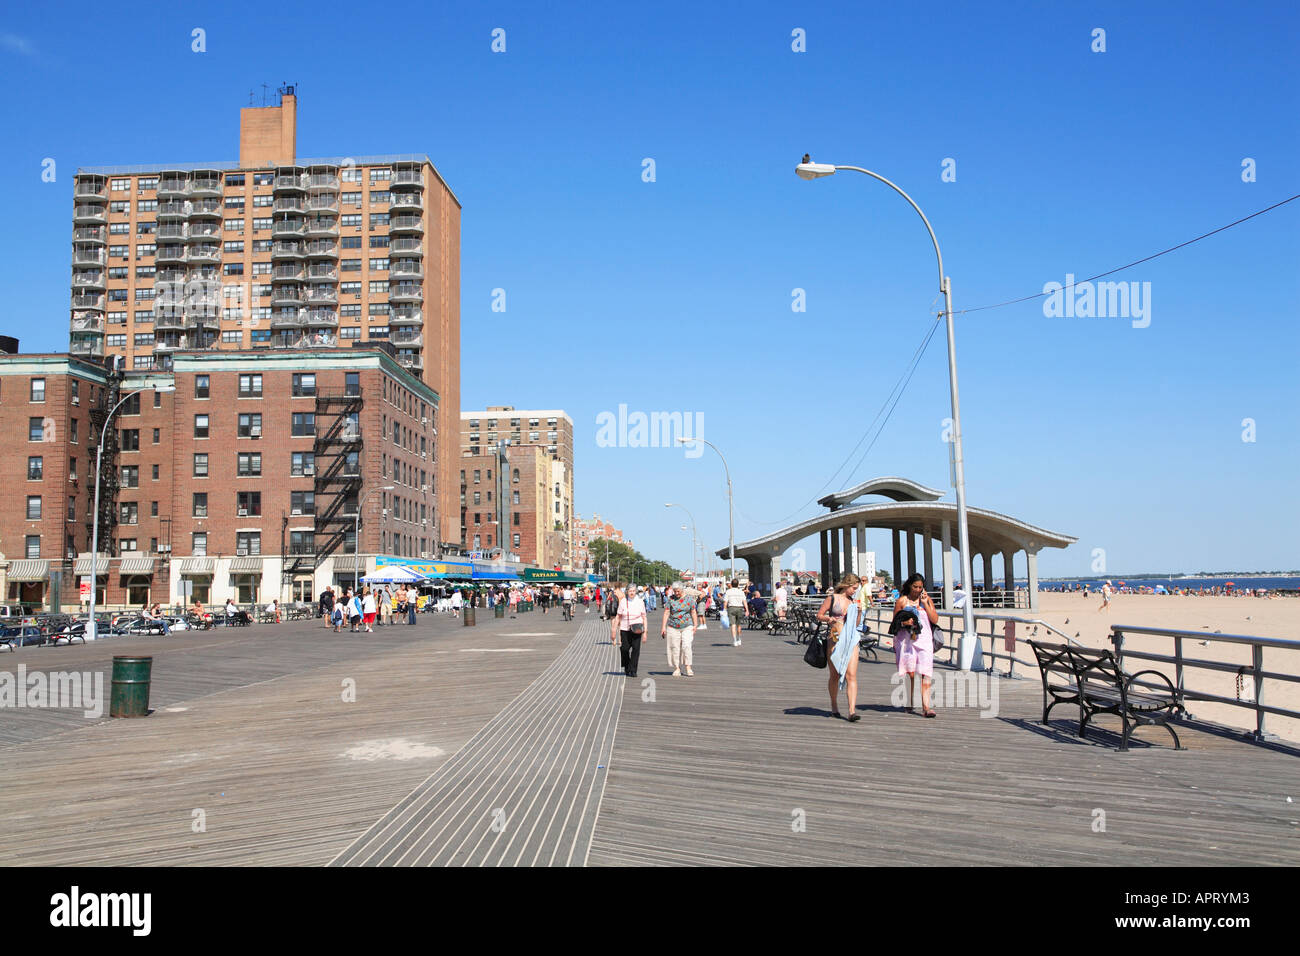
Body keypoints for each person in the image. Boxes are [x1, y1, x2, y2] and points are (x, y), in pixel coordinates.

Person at [893, 573, 939, 717]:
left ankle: (926, 707)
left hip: (924, 640)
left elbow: (935, 619)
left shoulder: (926, 600)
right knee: (910, 672)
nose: (918, 590)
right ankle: (909, 702)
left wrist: (925, 604)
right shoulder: (902, 601)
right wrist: (905, 623)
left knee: (926, 672)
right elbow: (894, 623)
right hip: (906, 641)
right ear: (909, 586)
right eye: (915, 587)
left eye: (920, 587)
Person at [817, 573, 862, 721]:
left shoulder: (853, 602)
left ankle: (851, 711)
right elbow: (819, 615)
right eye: (854, 588)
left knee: (851, 675)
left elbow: (855, 625)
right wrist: (829, 618)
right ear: (847, 585)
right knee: (835, 675)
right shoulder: (832, 598)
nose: (855, 591)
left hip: (851, 640)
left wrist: (859, 611)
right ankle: (834, 705)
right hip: (835, 639)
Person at [660, 581, 699, 677]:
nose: (676, 593)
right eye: (674, 591)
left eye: (678, 591)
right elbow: (666, 613)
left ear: (682, 589)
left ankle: (688, 667)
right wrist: (663, 627)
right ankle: (677, 668)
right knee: (675, 647)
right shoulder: (671, 599)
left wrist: (695, 625)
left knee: (686, 645)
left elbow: (693, 612)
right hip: (673, 626)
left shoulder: (689, 599)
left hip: (687, 625)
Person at [612, 582, 648, 678]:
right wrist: (613, 631)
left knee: (636, 650)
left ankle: (633, 670)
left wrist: (645, 632)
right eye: (630, 591)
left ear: (636, 591)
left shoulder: (640, 601)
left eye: (633, 591)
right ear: (627, 591)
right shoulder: (623, 601)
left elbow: (644, 617)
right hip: (625, 629)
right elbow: (618, 616)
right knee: (624, 649)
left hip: (637, 628)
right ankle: (627, 666)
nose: (632, 593)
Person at [723, 578, 746, 647]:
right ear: (738, 584)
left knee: (733, 625)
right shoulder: (741, 592)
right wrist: (747, 610)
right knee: (738, 625)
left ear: (731, 584)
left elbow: (725, 602)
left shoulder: (728, 592)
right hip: (739, 608)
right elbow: (744, 602)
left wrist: (724, 610)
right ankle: (739, 638)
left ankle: (735, 640)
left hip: (731, 608)